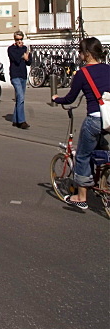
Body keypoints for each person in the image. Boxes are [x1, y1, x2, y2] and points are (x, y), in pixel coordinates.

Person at [52, 37, 110, 210]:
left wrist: (57, 98)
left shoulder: (82, 73)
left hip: (95, 119)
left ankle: (81, 196)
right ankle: (101, 178)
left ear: (86, 54)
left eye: (80, 51)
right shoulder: (108, 68)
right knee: (101, 149)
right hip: (109, 118)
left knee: (83, 156)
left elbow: (70, 98)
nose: (79, 54)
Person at [8, 30, 31, 129]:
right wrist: (22, 54)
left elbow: (29, 62)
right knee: (21, 97)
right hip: (15, 75)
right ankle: (22, 121)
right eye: (17, 39)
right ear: (14, 39)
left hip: (23, 75)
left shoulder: (25, 48)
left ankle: (15, 120)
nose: (19, 41)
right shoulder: (11, 49)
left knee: (19, 98)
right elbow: (16, 59)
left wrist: (26, 58)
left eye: (21, 39)